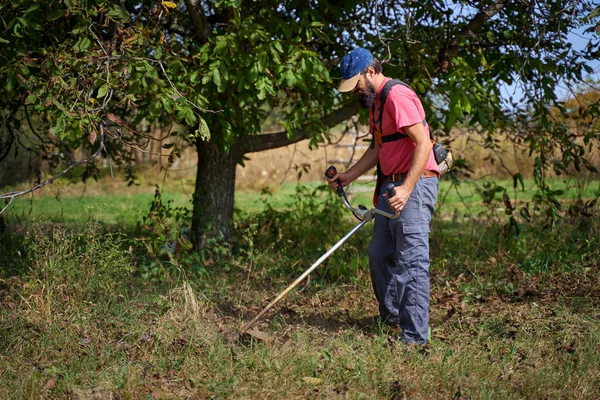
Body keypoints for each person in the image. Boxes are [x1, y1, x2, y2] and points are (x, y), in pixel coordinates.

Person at [328, 47, 439, 344]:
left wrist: (406, 188)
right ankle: (391, 319)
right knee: (379, 255)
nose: (355, 91)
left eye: (357, 84)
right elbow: (378, 149)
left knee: (411, 262)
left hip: (413, 186)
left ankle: (414, 337)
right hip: (390, 186)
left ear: (372, 72)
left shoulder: (397, 96)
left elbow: (424, 144)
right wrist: (348, 176)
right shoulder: (375, 103)